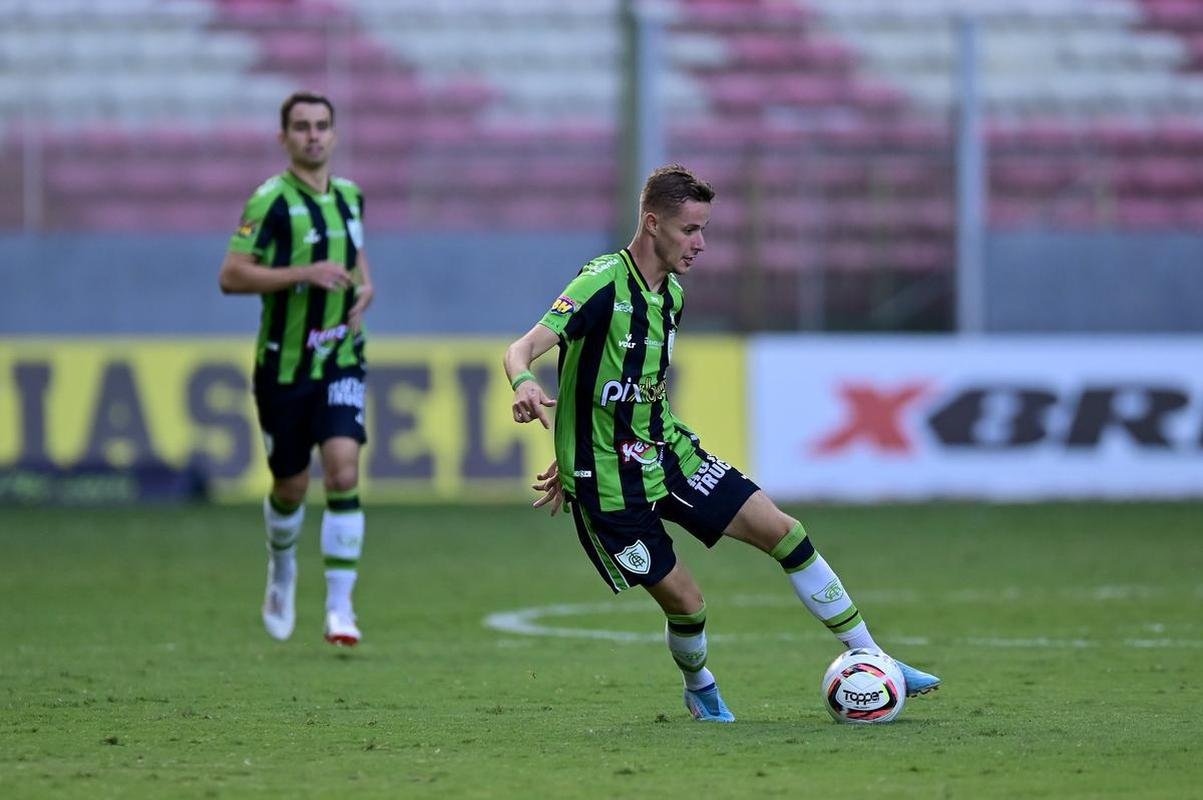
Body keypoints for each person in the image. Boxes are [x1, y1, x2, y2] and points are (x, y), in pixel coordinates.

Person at [502, 164, 940, 721]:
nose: (701, 243)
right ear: (652, 223)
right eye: (690, 230)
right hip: (611, 486)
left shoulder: (673, 298)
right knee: (688, 604)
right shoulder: (601, 283)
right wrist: (526, 388)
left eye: (704, 229)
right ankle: (700, 686)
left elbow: (629, 391)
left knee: (785, 532)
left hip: (671, 454)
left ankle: (871, 653)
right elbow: (522, 349)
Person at [218, 91, 374, 647]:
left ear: (334, 134)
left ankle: (340, 608)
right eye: (302, 127)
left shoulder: (350, 196)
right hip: (283, 370)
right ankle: (282, 567)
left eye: (322, 125)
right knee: (290, 486)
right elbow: (232, 275)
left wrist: (366, 285)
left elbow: (354, 257)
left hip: (341, 358)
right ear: (283, 138)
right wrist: (301, 273)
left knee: (342, 473)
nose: (313, 135)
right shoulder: (270, 203)